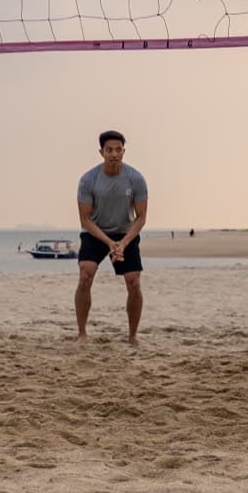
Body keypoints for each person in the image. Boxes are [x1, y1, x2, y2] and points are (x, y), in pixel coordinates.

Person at [75, 131, 147, 345]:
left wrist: (123, 244)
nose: (114, 154)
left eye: (118, 150)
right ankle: (82, 333)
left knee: (134, 282)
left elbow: (141, 218)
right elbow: (85, 219)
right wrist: (110, 244)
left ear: (124, 151)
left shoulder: (136, 178)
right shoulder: (89, 180)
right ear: (101, 152)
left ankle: (133, 335)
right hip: (95, 232)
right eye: (109, 150)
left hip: (126, 233)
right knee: (85, 274)